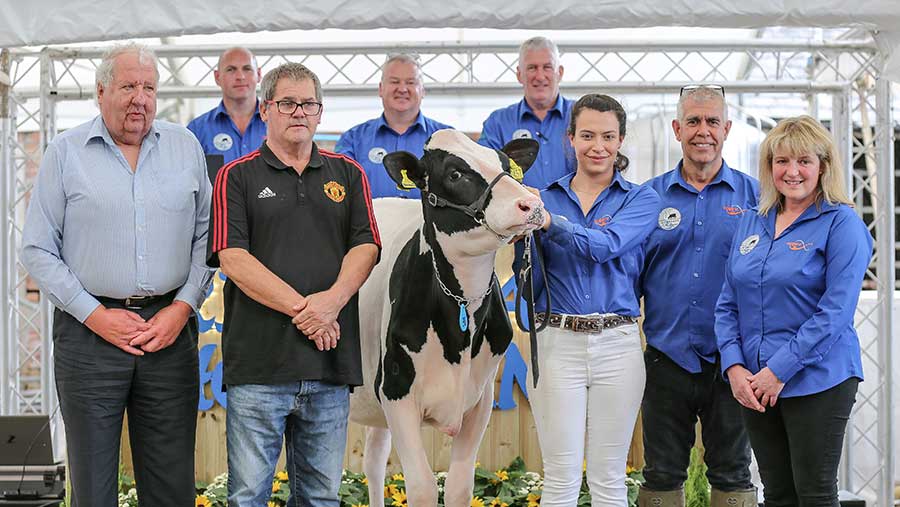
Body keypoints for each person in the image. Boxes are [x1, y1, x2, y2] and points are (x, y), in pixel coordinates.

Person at [21, 42, 213, 507]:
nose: (140, 99)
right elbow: (37, 249)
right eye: (128, 86)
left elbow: (208, 240)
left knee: (171, 487)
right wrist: (95, 315)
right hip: (89, 338)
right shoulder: (65, 152)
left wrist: (182, 308)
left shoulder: (185, 147)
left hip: (168, 335)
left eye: (149, 87)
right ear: (100, 91)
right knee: (93, 487)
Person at [206, 62, 381, 506]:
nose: (298, 112)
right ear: (266, 110)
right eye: (287, 103)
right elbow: (233, 258)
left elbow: (366, 248)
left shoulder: (349, 174)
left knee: (321, 499)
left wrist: (333, 301)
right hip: (259, 371)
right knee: (248, 497)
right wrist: (310, 311)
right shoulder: (236, 176)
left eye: (308, 104)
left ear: (320, 113)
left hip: (329, 368)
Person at [716, 115, 871, 507]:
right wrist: (734, 368)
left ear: (823, 166)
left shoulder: (842, 224)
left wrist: (778, 371)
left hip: (818, 378)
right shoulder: (753, 219)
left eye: (804, 161)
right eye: (781, 161)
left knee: (815, 495)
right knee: (777, 495)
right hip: (754, 383)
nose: (792, 171)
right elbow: (727, 302)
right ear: (769, 167)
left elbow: (834, 313)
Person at [521, 94, 659, 506]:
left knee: (609, 480)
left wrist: (547, 221)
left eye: (608, 136)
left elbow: (606, 245)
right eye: (587, 135)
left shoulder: (641, 199)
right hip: (557, 341)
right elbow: (530, 275)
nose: (597, 145)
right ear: (571, 139)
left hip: (617, 343)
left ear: (620, 141)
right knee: (559, 478)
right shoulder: (545, 197)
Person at [638, 85, 758, 507]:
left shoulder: (759, 199)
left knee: (733, 473)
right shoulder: (646, 197)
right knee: (661, 475)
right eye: (693, 121)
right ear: (676, 128)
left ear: (727, 128)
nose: (702, 131)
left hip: (735, 365)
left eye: (711, 121)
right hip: (666, 359)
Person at [336, 52, 452, 198]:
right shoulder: (352, 140)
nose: (402, 89)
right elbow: (339, 192)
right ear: (380, 89)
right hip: (371, 222)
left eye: (410, 82)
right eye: (394, 81)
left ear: (422, 90)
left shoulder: (448, 138)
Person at [478, 36, 575, 188]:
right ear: (519, 74)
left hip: (578, 211)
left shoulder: (582, 116)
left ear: (560, 72)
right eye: (532, 68)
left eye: (547, 67)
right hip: (517, 210)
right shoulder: (497, 123)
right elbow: (483, 173)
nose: (540, 76)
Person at [187, 47, 266, 164]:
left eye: (247, 69)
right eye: (231, 70)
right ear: (217, 77)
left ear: (259, 74)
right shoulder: (197, 130)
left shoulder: (278, 123)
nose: (240, 77)